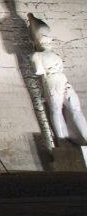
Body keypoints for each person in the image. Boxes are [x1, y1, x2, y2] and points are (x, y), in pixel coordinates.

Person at [29, 13, 87, 145]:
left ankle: (84, 137)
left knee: (75, 108)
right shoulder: (37, 55)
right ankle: (61, 140)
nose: (47, 40)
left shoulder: (51, 52)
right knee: (56, 109)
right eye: (44, 37)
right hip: (52, 80)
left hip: (63, 80)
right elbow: (38, 70)